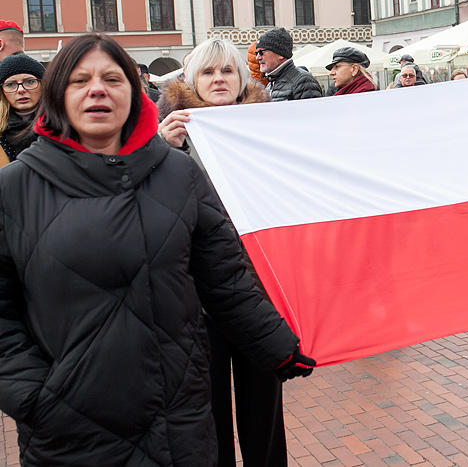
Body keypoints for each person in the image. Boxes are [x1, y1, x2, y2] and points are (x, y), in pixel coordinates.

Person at [0, 33, 315, 466]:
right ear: (57, 95)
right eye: (80, 80)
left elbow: (224, 278)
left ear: (134, 94)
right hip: (70, 433)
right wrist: (35, 397)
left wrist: (279, 346)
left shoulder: (177, 174)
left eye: (113, 78)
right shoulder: (13, 189)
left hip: (178, 423)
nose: (98, 89)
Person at [157, 38, 288, 467]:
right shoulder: (166, 134)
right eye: (208, 72)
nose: (218, 79)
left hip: (257, 289)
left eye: (226, 71)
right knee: (205, 409)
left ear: (241, 78)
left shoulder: (269, 128)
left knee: (264, 408)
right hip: (194, 296)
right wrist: (161, 151)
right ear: (191, 80)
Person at [0, 55, 45, 166]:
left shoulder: (62, 123)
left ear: (43, 85)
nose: (21, 90)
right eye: (10, 84)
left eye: (29, 82)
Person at [254, 27, 322, 101]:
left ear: (280, 54)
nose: (258, 57)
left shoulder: (304, 82)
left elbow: (312, 111)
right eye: (256, 53)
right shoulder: (271, 83)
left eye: (261, 52)